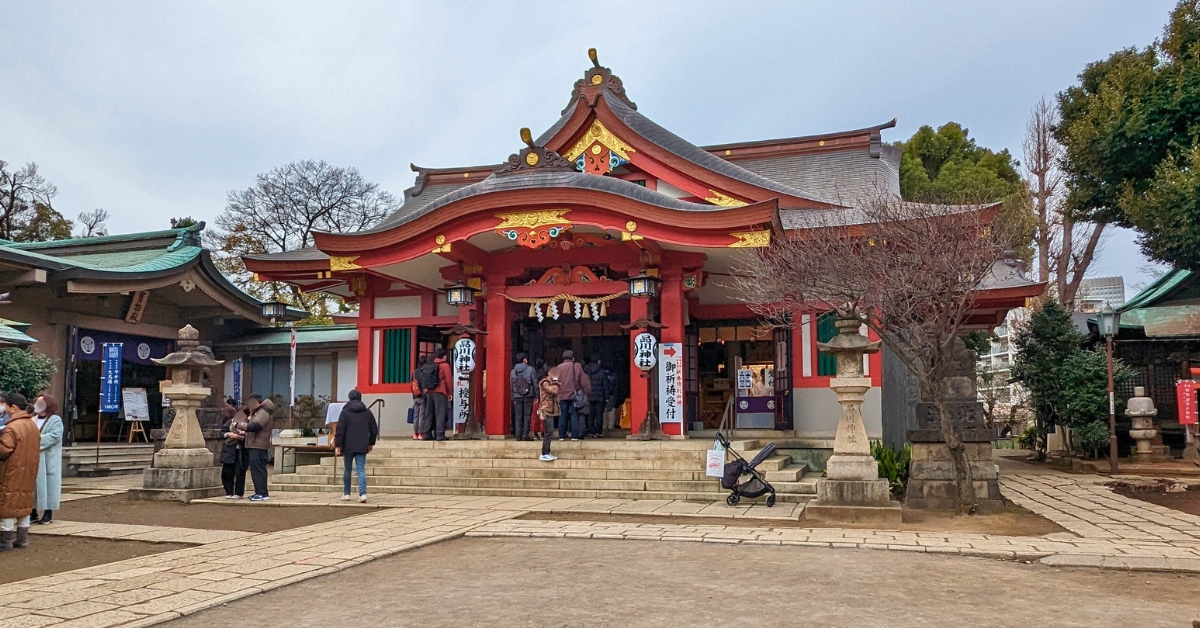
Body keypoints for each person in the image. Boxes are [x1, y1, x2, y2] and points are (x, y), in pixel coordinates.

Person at [0, 393, 39, 551]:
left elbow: (4, 450)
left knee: (8, 505)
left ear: (13, 407)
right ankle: (22, 539)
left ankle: (5, 541)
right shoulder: (32, 425)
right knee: (23, 504)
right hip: (29, 470)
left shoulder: (13, 427)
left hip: (12, 470)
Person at [335, 389, 378, 503]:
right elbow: (374, 429)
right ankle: (363, 494)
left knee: (347, 469)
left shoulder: (345, 412)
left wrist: (338, 445)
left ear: (349, 398)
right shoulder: (367, 412)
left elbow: (340, 429)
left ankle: (346, 493)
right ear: (360, 398)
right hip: (362, 444)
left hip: (347, 445)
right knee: (361, 469)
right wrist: (371, 442)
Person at [30, 394, 62, 525]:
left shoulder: (55, 419)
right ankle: (32, 512)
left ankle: (48, 512)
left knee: (49, 485)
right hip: (33, 457)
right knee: (32, 486)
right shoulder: (32, 419)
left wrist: (34, 441)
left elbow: (55, 435)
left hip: (48, 457)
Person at [237, 393, 275, 501]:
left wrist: (239, 425)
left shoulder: (264, 411)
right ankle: (259, 492)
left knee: (258, 469)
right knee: (254, 469)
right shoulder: (256, 412)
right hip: (254, 444)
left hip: (259, 445)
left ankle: (262, 493)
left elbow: (255, 426)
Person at [555, 350, 591, 441]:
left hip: (562, 395)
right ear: (573, 358)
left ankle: (562, 436)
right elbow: (583, 380)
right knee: (574, 415)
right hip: (573, 395)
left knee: (562, 415)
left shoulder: (558, 367)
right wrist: (587, 391)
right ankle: (574, 436)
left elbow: (555, 382)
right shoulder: (576, 366)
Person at [421, 347, 452, 441]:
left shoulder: (431, 364)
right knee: (440, 413)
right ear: (444, 356)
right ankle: (439, 434)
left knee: (429, 413)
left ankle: (426, 433)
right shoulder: (444, 366)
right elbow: (448, 380)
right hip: (440, 391)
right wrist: (450, 393)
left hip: (429, 391)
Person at [220, 404, 247, 499]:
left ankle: (238, 493)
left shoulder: (247, 424)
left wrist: (241, 436)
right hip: (229, 450)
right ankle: (228, 492)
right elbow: (221, 433)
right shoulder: (228, 422)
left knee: (240, 472)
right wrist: (228, 434)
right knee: (227, 472)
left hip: (241, 451)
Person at [510, 353, 537, 441]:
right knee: (527, 415)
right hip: (528, 395)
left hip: (517, 395)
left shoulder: (513, 371)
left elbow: (511, 385)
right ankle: (525, 435)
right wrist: (537, 395)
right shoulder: (531, 369)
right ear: (524, 359)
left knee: (518, 415)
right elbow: (535, 383)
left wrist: (513, 396)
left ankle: (518, 435)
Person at [583, 355, 610, 439]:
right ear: (598, 361)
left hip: (589, 396)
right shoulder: (602, 372)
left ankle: (590, 431)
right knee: (599, 415)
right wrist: (607, 397)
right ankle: (598, 432)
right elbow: (605, 385)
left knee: (590, 415)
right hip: (600, 397)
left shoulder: (586, 371)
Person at [538, 368, 561, 462]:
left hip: (550, 410)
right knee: (548, 432)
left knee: (550, 432)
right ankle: (544, 453)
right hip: (546, 409)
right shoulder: (545, 382)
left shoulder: (550, 382)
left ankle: (547, 452)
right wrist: (556, 381)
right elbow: (554, 391)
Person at [410, 355, 428, 440]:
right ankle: (421, 433)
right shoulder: (424, 372)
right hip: (422, 396)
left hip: (415, 395)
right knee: (422, 415)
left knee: (416, 415)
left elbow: (412, 383)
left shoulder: (414, 372)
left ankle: (415, 433)